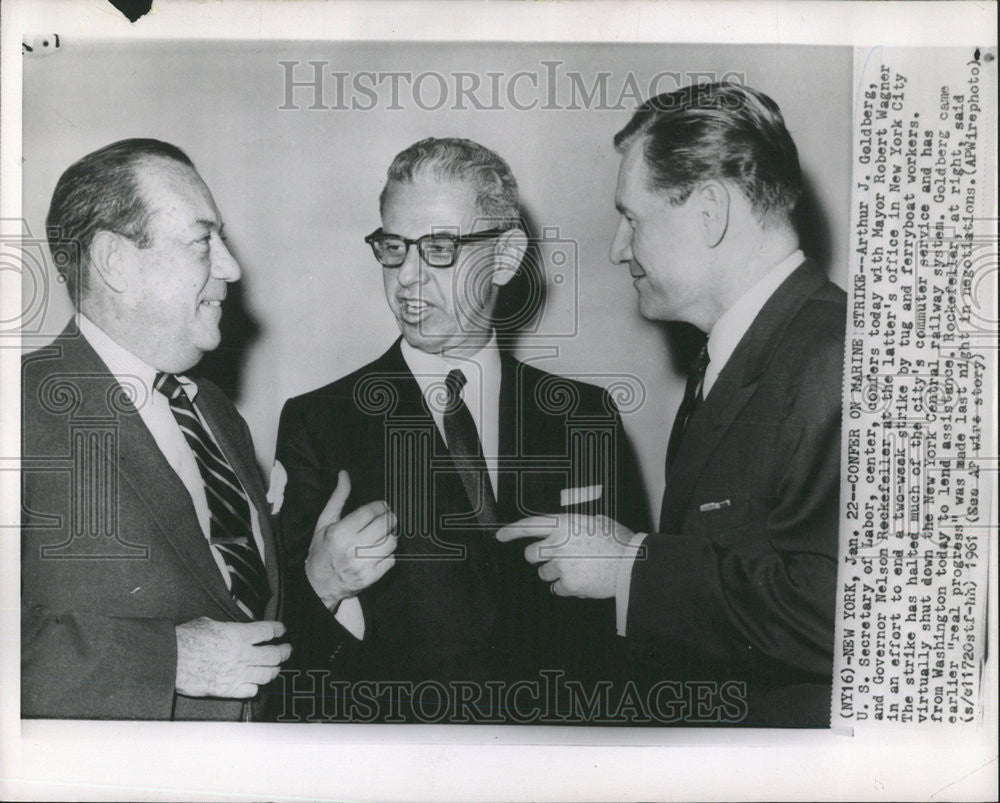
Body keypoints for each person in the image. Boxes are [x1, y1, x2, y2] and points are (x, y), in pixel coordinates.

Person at [499, 83, 846, 727]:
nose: (617, 248)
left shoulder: (835, 357)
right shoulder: (736, 357)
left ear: (710, 211)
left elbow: (849, 616)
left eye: (632, 217)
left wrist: (630, 566)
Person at [273, 137, 648, 723]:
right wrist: (322, 583)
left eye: (440, 248)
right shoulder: (320, 423)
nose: (408, 279)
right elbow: (280, 654)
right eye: (394, 248)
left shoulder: (586, 416)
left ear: (505, 256)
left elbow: (638, 630)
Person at [21, 138, 293, 719]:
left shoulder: (215, 412)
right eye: (202, 241)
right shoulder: (19, 409)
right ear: (115, 261)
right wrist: (167, 661)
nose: (232, 267)